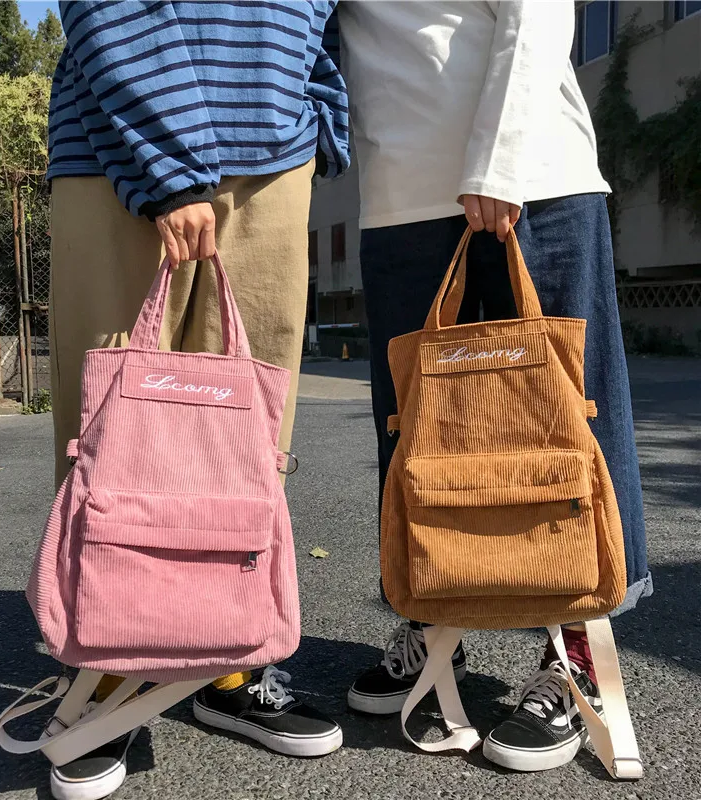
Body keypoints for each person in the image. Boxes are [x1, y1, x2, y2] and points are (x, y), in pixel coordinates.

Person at [338, 0, 651, 772]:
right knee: (414, 425)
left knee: (569, 418)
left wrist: (498, 158)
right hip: (398, 193)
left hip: (531, 175)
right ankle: (432, 616)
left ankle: (578, 650)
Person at [46, 2, 349, 798]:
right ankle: (105, 675)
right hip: (117, 139)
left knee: (246, 432)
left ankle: (229, 662)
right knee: (111, 426)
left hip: (275, 158)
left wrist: (319, 110)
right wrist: (173, 164)